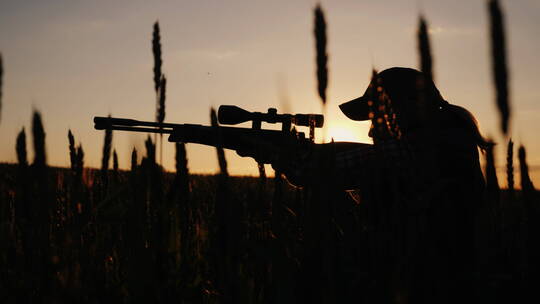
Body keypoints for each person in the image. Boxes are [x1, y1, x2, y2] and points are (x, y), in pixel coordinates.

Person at [270, 67, 489, 303]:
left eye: (376, 115)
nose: (371, 129)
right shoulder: (450, 137)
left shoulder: (428, 148)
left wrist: (287, 157)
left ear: (404, 109)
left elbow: (312, 170)